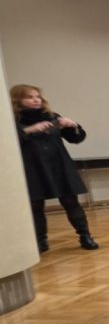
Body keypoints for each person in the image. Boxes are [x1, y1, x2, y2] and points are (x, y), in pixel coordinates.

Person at [11, 83, 98, 252]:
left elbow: (75, 139)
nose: (36, 100)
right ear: (18, 99)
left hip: (59, 166)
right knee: (35, 205)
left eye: (38, 96)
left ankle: (85, 236)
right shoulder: (13, 121)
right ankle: (40, 241)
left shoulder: (51, 116)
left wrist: (73, 125)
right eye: (30, 97)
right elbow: (7, 142)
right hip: (32, 168)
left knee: (70, 201)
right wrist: (29, 130)